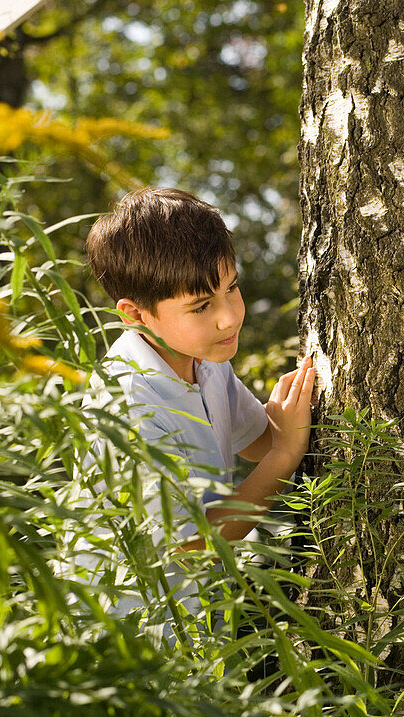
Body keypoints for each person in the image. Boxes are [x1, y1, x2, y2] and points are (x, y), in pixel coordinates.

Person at [78, 186, 315, 622]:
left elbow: (260, 439)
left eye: (232, 288)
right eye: (201, 305)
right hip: (131, 633)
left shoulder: (204, 361)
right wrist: (284, 455)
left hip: (196, 625)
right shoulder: (128, 403)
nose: (228, 316)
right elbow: (190, 547)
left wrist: (295, 421)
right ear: (134, 314)